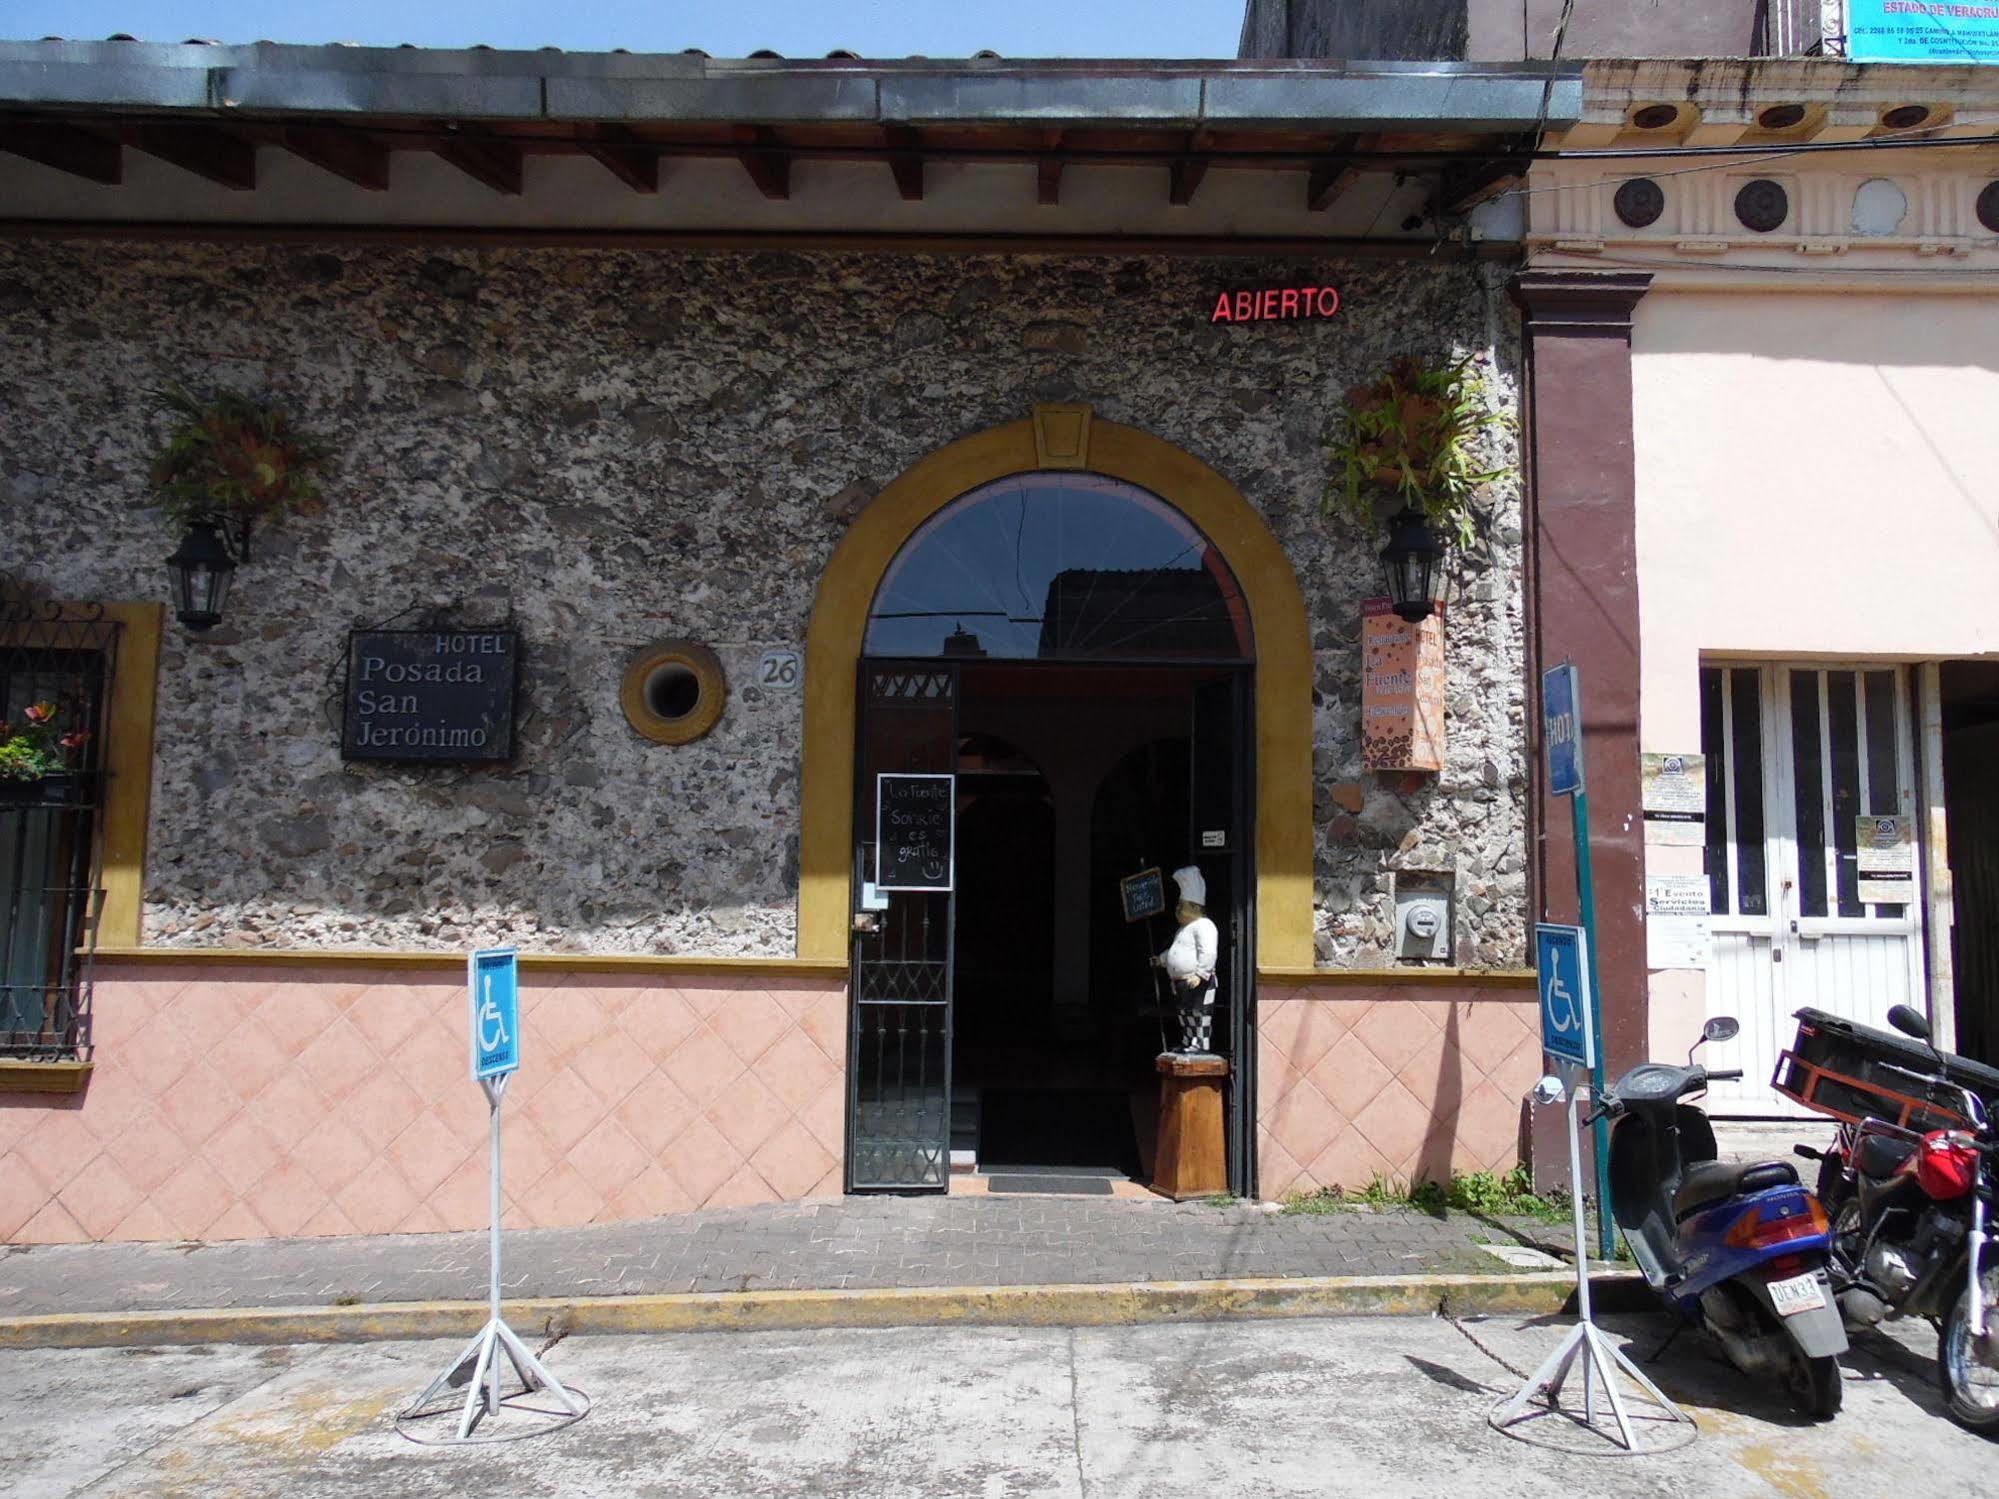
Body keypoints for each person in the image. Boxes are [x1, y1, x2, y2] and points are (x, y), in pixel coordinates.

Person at [1152, 865, 1218, 1054]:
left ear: (1195, 907)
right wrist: (1161, 960)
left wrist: (1201, 973)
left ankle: (1201, 1044)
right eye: (1178, 905)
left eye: (1182, 905)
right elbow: (1176, 950)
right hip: (1181, 982)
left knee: (1199, 1014)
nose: (1178, 909)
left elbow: (1208, 952)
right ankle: (1188, 1041)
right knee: (1185, 1014)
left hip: (1199, 980)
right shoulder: (1183, 929)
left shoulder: (1204, 926)